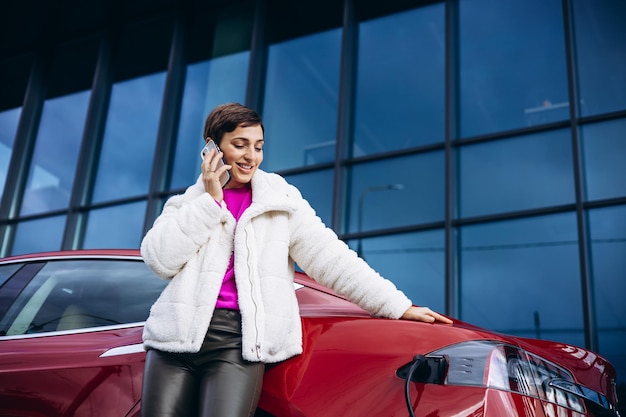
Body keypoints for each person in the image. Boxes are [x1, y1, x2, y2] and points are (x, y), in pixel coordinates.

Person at [139, 102, 453, 417]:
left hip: (239, 343)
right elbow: (159, 260)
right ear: (212, 148)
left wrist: (396, 305)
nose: (252, 156)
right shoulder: (186, 203)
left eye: (258, 147)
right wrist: (210, 202)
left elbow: (331, 259)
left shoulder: (281, 200)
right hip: (173, 343)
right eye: (240, 145)